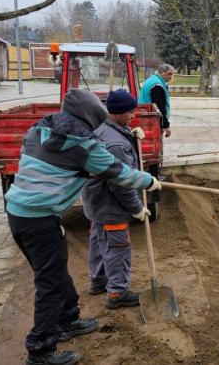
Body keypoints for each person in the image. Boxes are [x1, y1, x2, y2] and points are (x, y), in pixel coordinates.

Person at [5, 89, 161, 365]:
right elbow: (119, 174)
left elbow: (69, 164)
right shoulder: (83, 146)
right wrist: (148, 181)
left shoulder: (38, 131)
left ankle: (67, 320)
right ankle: (39, 350)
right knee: (50, 285)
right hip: (38, 219)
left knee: (57, 274)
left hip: (20, 213)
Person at [82, 89, 148, 309]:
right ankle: (118, 293)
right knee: (117, 247)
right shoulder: (115, 145)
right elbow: (122, 182)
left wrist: (130, 134)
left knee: (100, 243)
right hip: (111, 205)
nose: (134, 114)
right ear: (117, 112)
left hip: (96, 203)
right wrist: (137, 208)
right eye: (130, 111)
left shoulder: (106, 128)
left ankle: (98, 282)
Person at [138, 63, 174, 138]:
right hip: (151, 119)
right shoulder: (157, 85)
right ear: (162, 72)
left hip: (146, 116)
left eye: (172, 74)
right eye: (169, 74)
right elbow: (159, 107)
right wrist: (166, 125)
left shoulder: (154, 79)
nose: (171, 77)